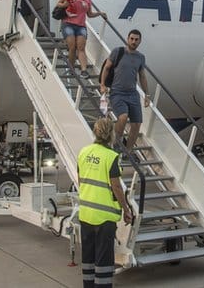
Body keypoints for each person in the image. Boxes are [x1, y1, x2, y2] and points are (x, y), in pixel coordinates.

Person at [78, 118, 133, 288]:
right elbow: (116, 186)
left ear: (95, 132)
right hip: (104, 216)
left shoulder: (84, 152)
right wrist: (126, 208)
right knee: (103, 260)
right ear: (112, 134)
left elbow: (80, 180)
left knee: (88, 257)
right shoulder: (111, 156)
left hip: (86, 213)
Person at [99, 29, 149, 156]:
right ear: (127, 39)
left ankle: (128, 151)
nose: (134, 41)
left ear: (140, 41)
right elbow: (106, 68)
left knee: (137, 124)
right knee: (122, 117)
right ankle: (116, 143)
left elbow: (142, 76)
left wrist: (147, 95)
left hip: (132, 94)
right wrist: (103, 84)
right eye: (131, 39)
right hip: (118, 93)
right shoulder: (118, 52)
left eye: (136, 39)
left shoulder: (140, 57)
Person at [56, 0, 107, 78]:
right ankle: (71, 68)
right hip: (68, 23)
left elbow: (90, 14)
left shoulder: (87, 0)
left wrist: (100, 13)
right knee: (72, 47)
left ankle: (84, 70)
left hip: (81, 26)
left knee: (81, 48)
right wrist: (65, 5)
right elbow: (58, 4)